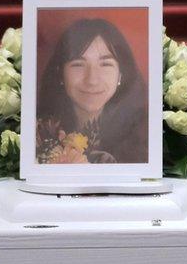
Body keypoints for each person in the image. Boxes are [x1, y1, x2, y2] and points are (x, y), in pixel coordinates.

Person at [36, 18, 148, 164]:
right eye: (78, 65)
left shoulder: (146, 135)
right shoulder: (38, 134)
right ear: (60, 73)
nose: (92, 80)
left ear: (121, 74)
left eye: (105, 64)